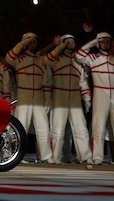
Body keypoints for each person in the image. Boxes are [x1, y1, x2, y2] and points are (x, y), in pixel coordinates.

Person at [75, 32, 114, 165]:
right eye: (103, 41)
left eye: (108, 41)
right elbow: (79, 56)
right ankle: (98, 157)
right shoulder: (93, 58)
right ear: (98, 43)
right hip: (100, 92)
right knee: (98, 126)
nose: (105, 44)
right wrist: (92, 42)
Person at [42, 34, 93, 164]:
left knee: (81, 127)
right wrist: (60, 46)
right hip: (60, 96)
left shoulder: (78, 61)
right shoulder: (56, 59)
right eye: (67, 42)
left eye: (72, 41)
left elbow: (83, 81)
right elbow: (46, 59)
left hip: (75, 97)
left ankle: (85, 156)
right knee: (57, 129)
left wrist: (86, 98)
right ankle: (55, 157)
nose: (71, 44)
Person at [5, 32, 54, 163]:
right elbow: (8, 57)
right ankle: (15, 155)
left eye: (34, 41)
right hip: (24, 97)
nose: (32, 44)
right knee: (21, 128)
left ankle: (47, 156)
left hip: (38, 97)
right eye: (30, 41)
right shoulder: (18, 60)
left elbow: (46, 82)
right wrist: (23, 43)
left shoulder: (40, 61)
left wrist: (47, 98)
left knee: (43, 128)